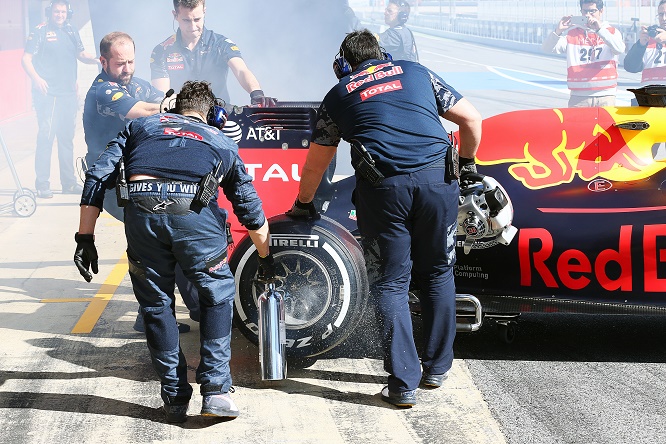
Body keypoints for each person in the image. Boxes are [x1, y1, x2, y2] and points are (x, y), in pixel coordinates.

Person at [287, 29, 482, 407]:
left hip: (385, 191)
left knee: (391, 283)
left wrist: (303, 204)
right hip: (439, 183)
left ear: (342, 65)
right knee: (438, 272)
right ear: (384, 54)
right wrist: (468, 165)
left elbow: (316, 164)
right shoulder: (416, 71)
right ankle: (437, 368)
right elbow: (471, 120)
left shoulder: (339, 94)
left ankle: (403, 384)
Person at [73, 80, 275, 423]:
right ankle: (216, 391)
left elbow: (96, 175)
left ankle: (174, 396)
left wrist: (85, 238)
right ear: (213, 114)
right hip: (194, 220)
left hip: (141, 217)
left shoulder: (138, 127)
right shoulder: (221, 140)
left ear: (173, 108)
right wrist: (265, 259)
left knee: (155, 305)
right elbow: (251, 211)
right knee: (215, 296)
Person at [82, 31, 197, 333]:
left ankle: (173, 310)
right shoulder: (102, 91)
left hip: (135, 180)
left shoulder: (135, 84)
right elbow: (144, 110)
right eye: (120, 63)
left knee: (166, 234)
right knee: (158, 237)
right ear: (103, 61)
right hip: (109, 185)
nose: (128, 68)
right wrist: (173, 106)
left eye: (131, 61)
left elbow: (159, 99)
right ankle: (159, 314)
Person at [21, 0, 99, 199]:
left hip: (68, 95)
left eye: (63, 11)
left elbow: (80, 54)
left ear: (68, 13)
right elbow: (26, 59)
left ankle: (68, 183)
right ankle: (42, 184)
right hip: (48, 95)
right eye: (57, 11)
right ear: (50, 12)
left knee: (66, 140)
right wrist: (37, 79)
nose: (60, 14)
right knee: (46, 138)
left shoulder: (72, 30)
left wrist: (99, 59)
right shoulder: (39, 31)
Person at [150, 0, 277, 107]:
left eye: (197, 19)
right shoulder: (161, 51)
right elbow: (162, 96)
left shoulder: (221, 44)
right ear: (175, 15)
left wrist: (256, 93)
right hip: (180, 117)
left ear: (204, 10)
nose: (193, 26)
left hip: (219, 116)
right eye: (186, 20)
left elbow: (241, 70)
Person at [541, 0, 625, 108]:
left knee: (606, 125)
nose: (588, 15)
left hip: (606, 95)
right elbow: (547, 48)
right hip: (579, 96)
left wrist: (599, 30)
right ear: (581, 11)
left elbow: (619, 49)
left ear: (601, 11)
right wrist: (558, 31)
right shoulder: (572, 33)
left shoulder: (611, 32)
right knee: (576, 125)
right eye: (585, 11)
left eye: (592, 11)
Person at [624, 0, 666, 87]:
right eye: (661, 14)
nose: (664, 18)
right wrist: (640, 45)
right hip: (650, 96)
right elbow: (630, 67)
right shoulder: (651, 36)